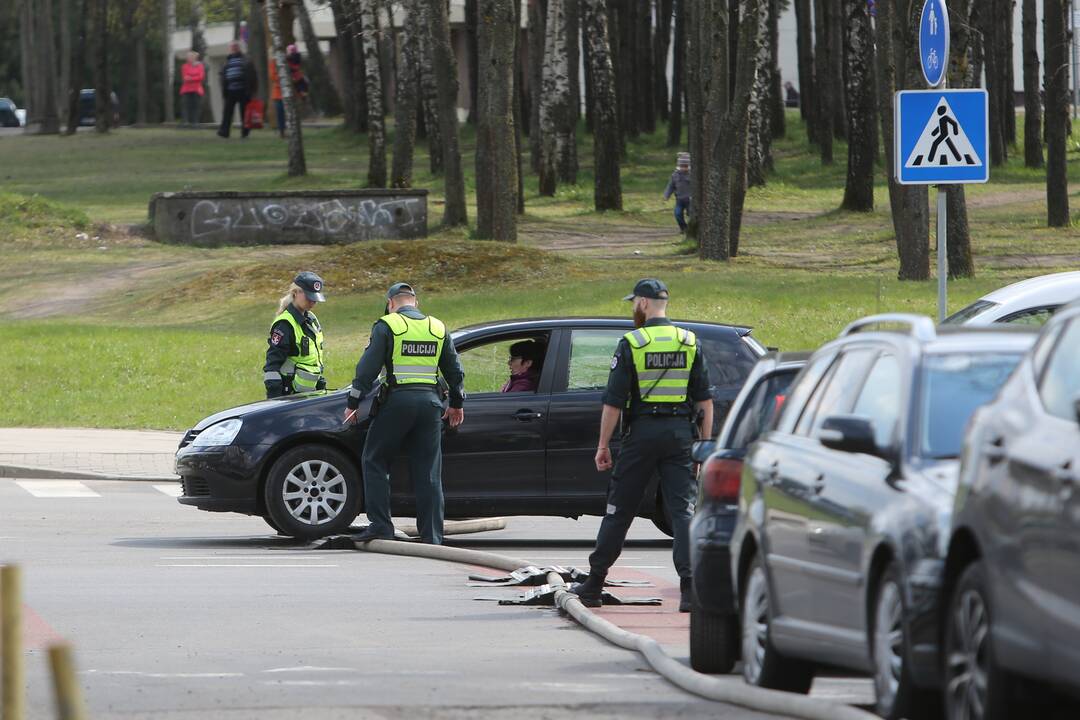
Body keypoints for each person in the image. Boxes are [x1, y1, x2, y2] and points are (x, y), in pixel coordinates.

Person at [569, 278, 713, 613]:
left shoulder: (632, 342)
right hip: (680, 435)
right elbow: (705, 401)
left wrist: (603, 445)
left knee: (619, 510)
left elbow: (614, 402)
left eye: (634, 302)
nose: (633, 307)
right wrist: (704, 446)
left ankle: (594, 583)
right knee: (683, 512)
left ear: (644, 304)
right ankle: (690, 590)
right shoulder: (689, 341)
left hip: (642, 435)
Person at [344, 283, 466, 545]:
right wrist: (456, 403)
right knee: (429, 470)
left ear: (391, 304)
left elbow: (367, 368)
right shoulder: (437, 327)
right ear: (415, 303)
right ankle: (432, 535)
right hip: (431, 405)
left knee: (374, 459)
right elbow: (454, 370)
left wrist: (353, 401)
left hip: (397, 403)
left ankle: (380, 526)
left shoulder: (388, 325)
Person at [264, 272, 327, 398]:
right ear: (295, 293)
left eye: (315, 298)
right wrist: (275, 400)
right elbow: (272, 365)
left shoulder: (311, 320)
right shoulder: (285, 324)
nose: (313, 302)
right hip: (290, 397)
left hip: (310, 394)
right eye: (309, 297)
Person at [217, 40, 257, 139]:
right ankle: (224, 131)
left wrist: (253, 90)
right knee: (227, 112)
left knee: (244, 112)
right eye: (232, 47)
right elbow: (222, 76)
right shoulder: (227, 61)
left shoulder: (246, 60)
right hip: (230, 90)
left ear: (239, 48)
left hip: (244, 90)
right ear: (230, 49)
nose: (234, 48)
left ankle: (245, 132)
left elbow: (253, 76)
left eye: (235, 46)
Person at [663, 153, 692, 233]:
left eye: (686, 166)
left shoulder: (692, 175)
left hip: (690, 199)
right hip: (679, 199)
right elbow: (670, 186)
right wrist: (666, 195)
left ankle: (692, 228)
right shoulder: (675, 175)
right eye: (682, 166)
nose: (684, 168)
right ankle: (684, 228)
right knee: (678, 214)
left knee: (691, 214)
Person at [179, 51, 206, 128]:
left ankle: (195, 123)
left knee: (196, 106)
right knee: (185, 106)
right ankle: (185, 122)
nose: (188, 58)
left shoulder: (200, 66)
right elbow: (185, 77)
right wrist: (194, 77)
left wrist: (191, 78)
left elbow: (201, 77)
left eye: (190, 57)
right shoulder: (184, 66)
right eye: (187, 57)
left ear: (194, 57)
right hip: (186, 89)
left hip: (196, 89)